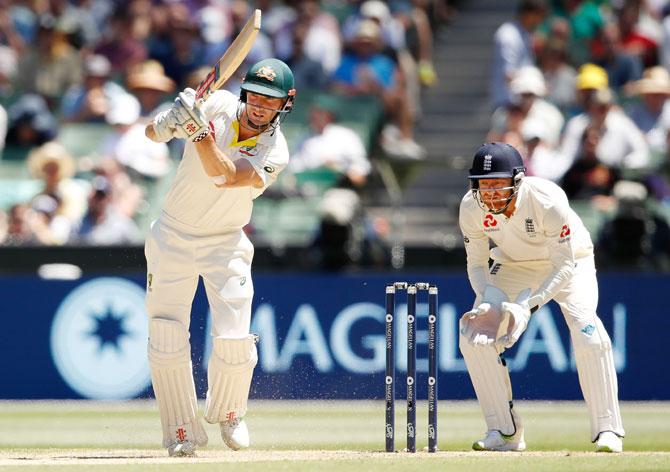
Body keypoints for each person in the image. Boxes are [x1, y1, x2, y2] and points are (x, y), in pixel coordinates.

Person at [144, 58, 296, 457]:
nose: (261, 105)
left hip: (225, 243)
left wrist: (198, 134)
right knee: (165, 334)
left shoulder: (274, 149)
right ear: (245, 92)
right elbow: (151, 134)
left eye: (272, 99)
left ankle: (230, 412)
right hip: (172, 235)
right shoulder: (217, 104)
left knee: (233, 337)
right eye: (257, 95)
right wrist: (171, 119)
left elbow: (226, 175)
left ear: (286, 103)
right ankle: (181, 430)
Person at [458, 142, 625, 453]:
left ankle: (608, 430)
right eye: (484, 184)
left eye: (498, 183)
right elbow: (477, 264)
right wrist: (487, 300)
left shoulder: (547, 199)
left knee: (586, 328)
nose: (490, 192)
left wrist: (527, 306)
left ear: (517, 181)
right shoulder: (471, 206)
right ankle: (504, 431)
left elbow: (563, 266)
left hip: (569, 263)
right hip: (512, 264)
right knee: (474, 335)